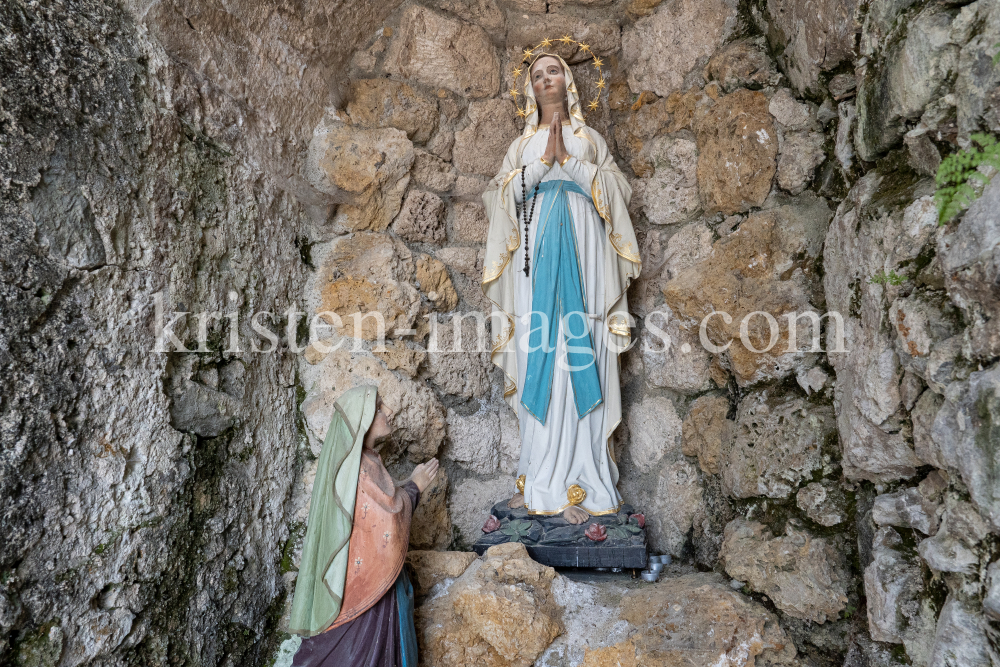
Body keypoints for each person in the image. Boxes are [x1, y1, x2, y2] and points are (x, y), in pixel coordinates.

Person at [481, 50, 641, 524]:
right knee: (538, 355)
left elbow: (619, 193)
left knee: (583, 346)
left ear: (567, 81)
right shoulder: (519, 147)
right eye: (537, 74)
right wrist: (537, 168)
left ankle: (586, 479)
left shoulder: (590, 140)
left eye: (553, 70)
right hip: (533, 272)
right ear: (529, 88)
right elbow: (496, 199)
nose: (545, 78)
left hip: (587, 261)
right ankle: (539, 474)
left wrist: (570, 164)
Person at [288, 385, 439, 666]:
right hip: (364, 586)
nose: (389, 411)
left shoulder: (363, 460)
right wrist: (416, 486)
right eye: (380, 407)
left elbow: (380, 508)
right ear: (364, 418)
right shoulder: (360, 468)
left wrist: (407, 488)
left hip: (364, 578)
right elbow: (387, 523)